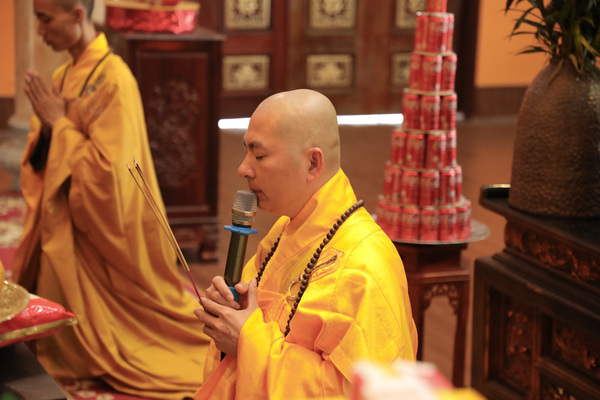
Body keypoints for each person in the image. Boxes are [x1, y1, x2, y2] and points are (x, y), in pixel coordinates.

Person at [12, 0, 210, 398]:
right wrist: (50, 129)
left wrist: (59, 124)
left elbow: (110, 175)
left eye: (45, 19)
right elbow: (44, 152)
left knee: (146, 342)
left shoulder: (115, 80)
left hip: (105, 231)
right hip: (66, 224)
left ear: (77, 15)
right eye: (36, 19)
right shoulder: (64, 74)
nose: (40, 31)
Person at [193, 89, 418, 398]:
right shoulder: (285, 230)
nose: (243, 168)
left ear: (313, 163)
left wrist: (247, 341)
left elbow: (360, 392)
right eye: (246, 152)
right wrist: (231, 314)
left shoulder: (365, 266)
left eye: (259, 155)